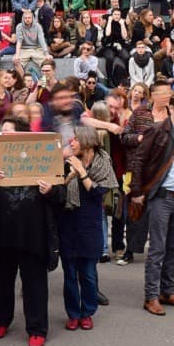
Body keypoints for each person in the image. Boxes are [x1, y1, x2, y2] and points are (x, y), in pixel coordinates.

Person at [0, 116, 58, 346]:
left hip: (32, 233)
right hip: (2, 232)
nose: (3, 136)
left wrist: (50, 190)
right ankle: (1, 319)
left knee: (34, 283)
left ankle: (37, 328)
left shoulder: (40, 154)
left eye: (8, 132)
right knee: (3, 281)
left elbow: (60, 196)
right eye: (1, 132)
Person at [130, 90, 174, 316]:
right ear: (170, 108)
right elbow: (139, 160)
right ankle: (151, 296)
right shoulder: (158, 130)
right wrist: (137, 191)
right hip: (161, 196)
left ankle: (167, 291)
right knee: (158, 250)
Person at [58, 126, 116, 331]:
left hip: (89, 225)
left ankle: (87, 312)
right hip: (68, 224)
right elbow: (58, 192)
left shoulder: (102, 162)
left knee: (89, 275)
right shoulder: (66, 163)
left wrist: (81, 172)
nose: (71, 143)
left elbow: (97, 192)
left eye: (75, 140)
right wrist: (70, 175)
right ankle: (73, 314)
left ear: (87, 142)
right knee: (70, 275)